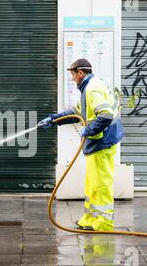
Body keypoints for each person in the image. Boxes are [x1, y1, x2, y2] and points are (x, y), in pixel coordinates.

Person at [38, 58, 124, 231]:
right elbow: (76, 112)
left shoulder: (92, 89)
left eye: (73, 74)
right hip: (97, 143)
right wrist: (54, 120)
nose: (72, 78)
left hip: (103, 143)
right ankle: (90, 219)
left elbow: (106, 115)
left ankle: (104, 223)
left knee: (101, 184)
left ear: (80, 73)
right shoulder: (88, 88)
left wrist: (89, 130)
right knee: (92, 183)